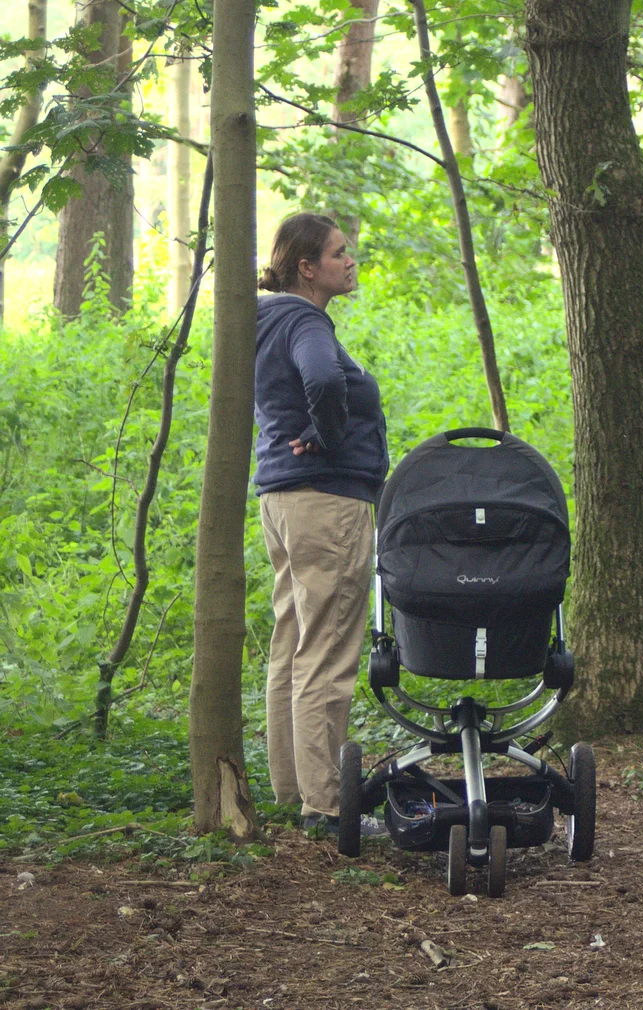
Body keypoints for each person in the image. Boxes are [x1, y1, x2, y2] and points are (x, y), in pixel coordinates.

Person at [253, 212, 388, 839]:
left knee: (292, 643)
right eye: (339, 253)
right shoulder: (305, 320)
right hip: (326, 503)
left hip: (282, 501)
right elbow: (325, 379)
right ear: (308, 268)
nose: (350, 260)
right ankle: (326, 804)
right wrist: (328, 437)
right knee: (326, 652)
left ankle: (292, 788)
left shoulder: (265, 317)